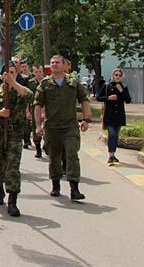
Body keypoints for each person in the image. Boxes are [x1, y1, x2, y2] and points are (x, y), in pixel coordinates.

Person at [34, 55, 92, 201]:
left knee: (72, 154)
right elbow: (38, 104)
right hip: (52, 127)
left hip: (70, 126)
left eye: (57, 62)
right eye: (52, 62)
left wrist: (86, 119)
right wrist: (38, 125)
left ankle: (74, 189)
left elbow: (84, 100)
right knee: (54, 157)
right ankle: (55, 185)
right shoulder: (45, 83)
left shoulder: (73, 82)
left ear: (64, 65)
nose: (54, 64)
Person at [0, 66, 33, 217]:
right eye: (7, 73)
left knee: (12, 165)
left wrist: (14, 83)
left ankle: (12, 201)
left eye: (13, 73)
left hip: (15, 133)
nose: (9, 75)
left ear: (16, 74)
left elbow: (30, 97)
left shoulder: (21, 91)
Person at [97, 68, 131, 165]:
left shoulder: (123, 87)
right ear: (112, 76)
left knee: (116, 136)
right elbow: (98, 97)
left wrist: (122, 91)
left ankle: (113, 154)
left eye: (119, 75)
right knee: (111, 134)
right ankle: (110, 156)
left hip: (119, 115)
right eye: (116, 75)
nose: (118, 77)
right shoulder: (107, 85)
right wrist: (108, 98)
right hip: (109, 115)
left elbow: (128, 100)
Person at [28, 64, 46, 158]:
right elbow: (27, 97)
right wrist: (27, 111)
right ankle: (38, 149)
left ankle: (47, 144)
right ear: (33, 72)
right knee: (36, 127)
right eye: (36, 72)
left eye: (39, 71)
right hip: (34, 108)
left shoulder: (47, 81)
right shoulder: (30, 83)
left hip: (47, 107)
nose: (38, 74)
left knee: (48, 127)